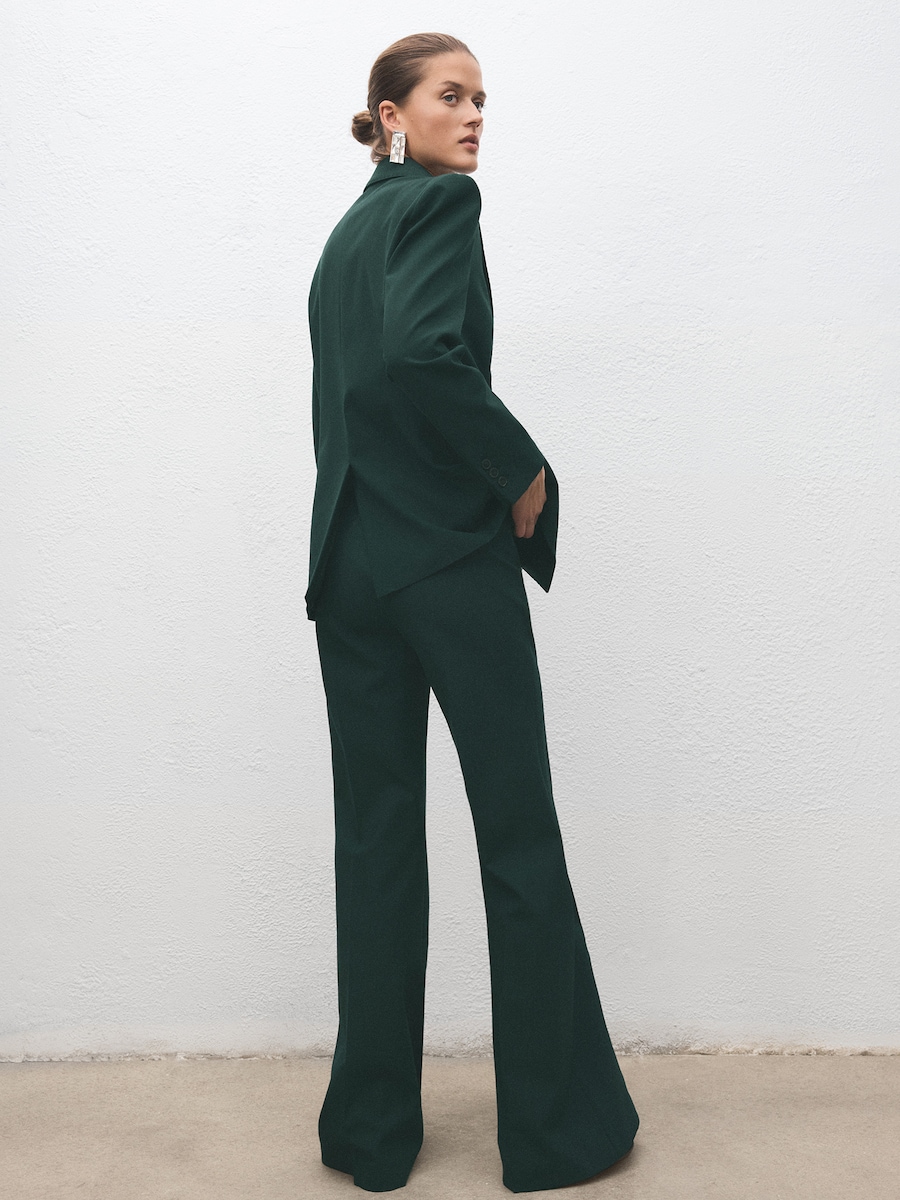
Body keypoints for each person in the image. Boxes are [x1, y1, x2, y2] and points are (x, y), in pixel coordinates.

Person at [304, 31, 639, 1194]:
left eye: (483, 98)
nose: (475, 115)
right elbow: (421, 357)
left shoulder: (345, 238)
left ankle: (371, 1136)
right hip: (443, 561)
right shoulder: (444, 206)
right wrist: (521, 471)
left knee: (376, 846)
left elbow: (356, 391)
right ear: (392, 117)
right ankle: (555, 1135)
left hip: (349, 564)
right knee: (518, 837)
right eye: (451, 96)